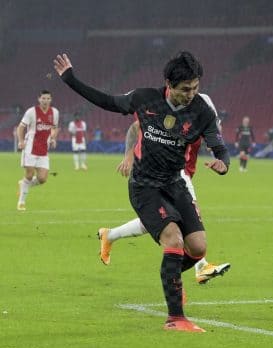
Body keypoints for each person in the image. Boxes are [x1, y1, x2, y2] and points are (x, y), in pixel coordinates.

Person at [54, 51, 230, 332]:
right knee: (172, 239)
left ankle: (169, 275)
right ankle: (176, 318)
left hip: (175, 182)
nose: (191, 94)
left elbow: (218, 145)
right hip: (144, 185)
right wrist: (70, 79)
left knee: (197, 247)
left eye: (195, 88)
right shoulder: (144, 98)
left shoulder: (202, 111)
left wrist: (224, 162)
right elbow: (107, 101)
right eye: (186, 89)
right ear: (169, 84)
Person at [98, 119, 231, 284]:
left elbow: (214, 132)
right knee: (188, 218)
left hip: (182, 173)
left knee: (162, 218)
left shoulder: (201, 109)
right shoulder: (173, 108)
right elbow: (136, 126)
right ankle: (201, 266)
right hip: (172, 174)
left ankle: (110, 235)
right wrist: (129, 156)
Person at [16, 89, 59, 211]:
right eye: (43, 98)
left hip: (43, 151)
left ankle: (23, 184)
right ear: (39, 99)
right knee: (29, 175)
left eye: (48, 98)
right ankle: (21, 202)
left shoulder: (54, 112)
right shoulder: (31, 112)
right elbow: (20, 127)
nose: (45, 101)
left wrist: (53, 138)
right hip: (30, 148)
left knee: (42, 179)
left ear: (51, 99)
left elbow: (54, 128)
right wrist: (21, 141)